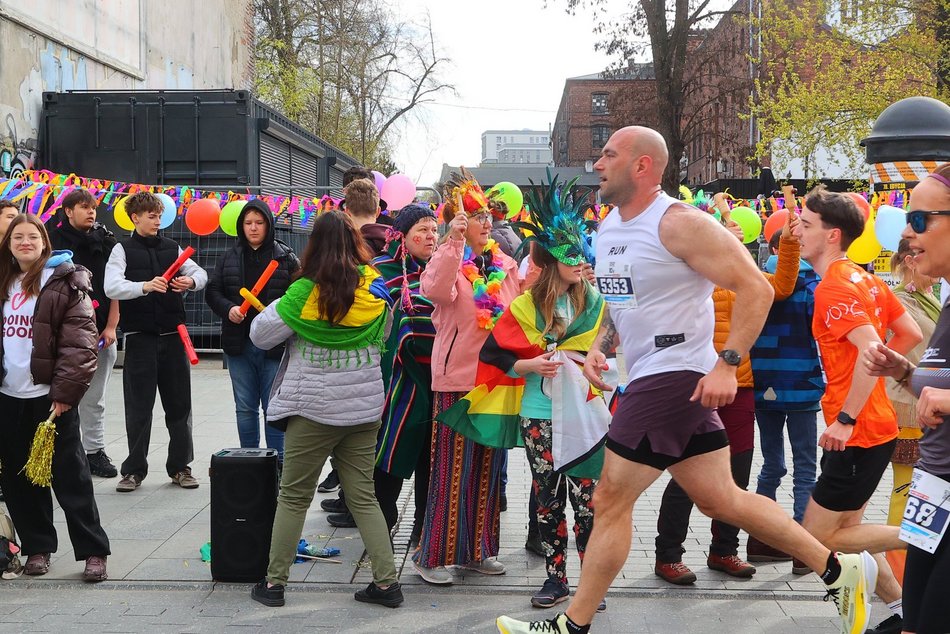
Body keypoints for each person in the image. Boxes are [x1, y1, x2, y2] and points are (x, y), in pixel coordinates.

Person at [496, 126, 878, 634]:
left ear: (642, 166)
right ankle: (838, 568)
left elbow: (755, 290)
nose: (598, 164)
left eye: (609, 155)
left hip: (675, 377)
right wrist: (600, 347)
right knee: (722, 499)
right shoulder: (609, 226)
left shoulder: (680, 223)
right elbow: (621, 299)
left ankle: (571, 625)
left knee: (608, 498)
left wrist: (726, 363)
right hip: (653, 377)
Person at [440, 173, 605, 608]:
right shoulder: (526, 305)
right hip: (539, 412)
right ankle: (555, 578)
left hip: (584, 412)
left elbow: (605, 346)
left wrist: (597, 359)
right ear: (551, 259)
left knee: (588, 500)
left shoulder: (595, 303)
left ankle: (590, 583)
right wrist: (528, 364)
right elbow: (494, 354)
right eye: (571, 253)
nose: (580, 260)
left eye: (582, 251)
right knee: (548, 498)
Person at [248, 210, 402, 609]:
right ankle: (387, 584)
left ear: (312, 246)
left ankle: (275, 584)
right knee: (364, 497)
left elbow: (261, 336)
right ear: (356, 243)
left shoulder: (303, 293)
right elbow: (384, 334)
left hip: (312, 411)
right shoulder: (375, 288)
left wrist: (288, 305)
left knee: (294, 497)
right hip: (363, 410)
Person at [793, 186, 923, 633]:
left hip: (860, 431)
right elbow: (904, 336)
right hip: (874, 424)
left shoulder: (835, 288)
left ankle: (930, 538)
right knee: (849, 532)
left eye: (806, 225)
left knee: (818, 537)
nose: (797, 230)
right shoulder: (864, 277)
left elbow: (872, 353)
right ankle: (898, 610)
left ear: (832, 235)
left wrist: (846, 418)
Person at [653, 209, 801, 584]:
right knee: (689, 474)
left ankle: (724, 551)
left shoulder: (746, 281)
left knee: (737, 473)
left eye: (737, 239)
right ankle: (668, 555)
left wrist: (789, 242)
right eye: (725, 237)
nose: (733, 244)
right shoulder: (693, 278)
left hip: (741, 385)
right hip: (697, 384)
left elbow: (781, 286)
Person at [412, 169, 521, 585]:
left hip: (495, 380)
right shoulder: (450, 261)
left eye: (489, 214)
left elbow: (518, 313)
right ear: (460, 219)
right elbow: (436, 292)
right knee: (452, 471)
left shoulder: (505, 264)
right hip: (457, 380)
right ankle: (432, 556)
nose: (487, 221)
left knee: (488, 469)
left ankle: (478, 551)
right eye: (477, 215)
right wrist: (452, 241)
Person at [0, 213, 111, 582]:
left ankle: (94, 551)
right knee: (20, 479)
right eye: (18, 237)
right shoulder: (4, 280)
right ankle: (38, 548)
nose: (25, 242)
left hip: (49, 398)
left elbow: (80, 345)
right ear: (9, 243)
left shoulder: (62, 280)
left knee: (70, 475)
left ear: (44, 241)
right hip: (8, 396)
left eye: (32, 236)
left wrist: (64, 395)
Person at [864, 164, 950, 634]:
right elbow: (938, 381)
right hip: (932, 486)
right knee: (913, 619)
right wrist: (902, 370)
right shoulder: (945, 302)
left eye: (919, 221)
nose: (909, 236)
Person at [104, 191, 208, 492]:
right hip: (139, 339)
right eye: (151, 215)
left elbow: (200, 273)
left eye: (159, 215)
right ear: (135, 217)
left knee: (179, 407)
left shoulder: (172, 247)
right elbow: (112, 286)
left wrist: (190, 281)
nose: (156, 220)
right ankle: (134, 470)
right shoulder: (121, 249)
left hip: (174, 337)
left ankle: (180, 467)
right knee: (138, 408)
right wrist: (145, 286)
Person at [355, 204, 438, 543]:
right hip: (394, 383)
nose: (431, 236)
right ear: (403, 236)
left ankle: (423, 527)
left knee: (428, 458)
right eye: (423, 229)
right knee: (389, 450)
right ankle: (380, 528)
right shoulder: (379, 271)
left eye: (435, 229)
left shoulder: (445, 270)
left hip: (436, 381)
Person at [747, 223, 823, 562]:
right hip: (803, 382)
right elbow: (821, 332)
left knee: (772, 463)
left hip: (764, 383)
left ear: (773, 250)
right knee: (806, 465)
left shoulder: (756, 283)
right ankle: (801, 545)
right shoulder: (813, 286)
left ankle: (761, 539)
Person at [205, 199, 300, 460]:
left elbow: (299, 295)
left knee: (275, 408)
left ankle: (278, 463)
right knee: (245, 407)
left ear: (269, 224)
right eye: (248, 223)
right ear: (241, 226)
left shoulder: (286, 257)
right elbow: (213, 291)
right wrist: (228, 309)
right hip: (239, 343)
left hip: (275, 346)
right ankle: (249, 460)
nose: (254, 228)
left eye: (259, 223)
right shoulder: (229, 257)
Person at [320, 176, 391, 508]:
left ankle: (352, 499)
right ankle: (361, 499)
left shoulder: (344, 248)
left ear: (346, 209)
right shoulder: (395, 245)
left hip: (346, 349)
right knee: (373, 430)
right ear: (378, 208)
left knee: (347, 429)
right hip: (385, 346)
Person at [46, 189, 120, 478]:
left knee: (96, 398)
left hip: (100, 328)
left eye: (93, 208)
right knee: (61, 395)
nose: (91, 213)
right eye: (84, 207)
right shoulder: (52, 241)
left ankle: (95, 451)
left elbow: (115, 286)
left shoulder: (107, 241)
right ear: (68, 211)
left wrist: (112, 325)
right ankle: (62, 453)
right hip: (63, 332)